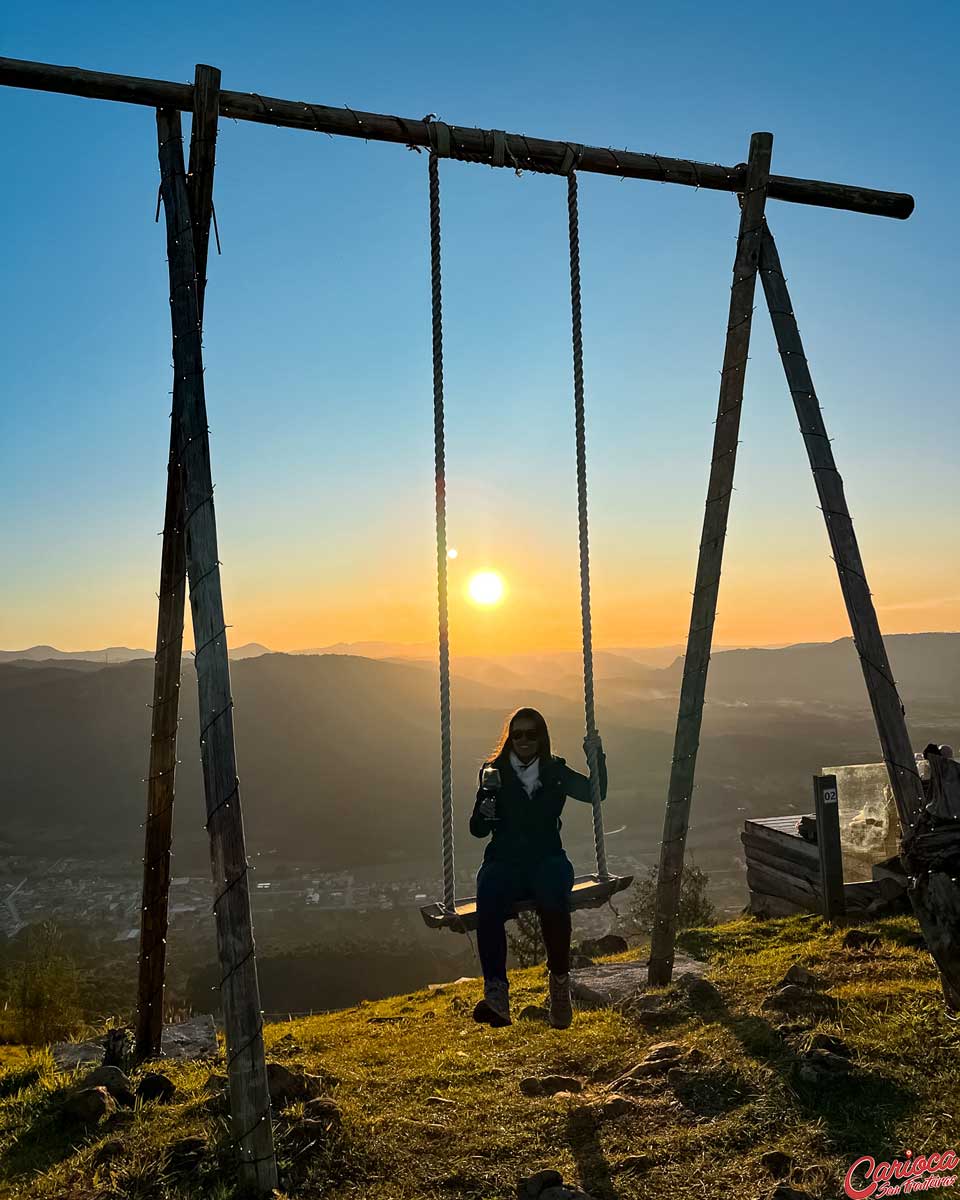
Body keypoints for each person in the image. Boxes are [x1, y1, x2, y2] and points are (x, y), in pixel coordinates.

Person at [468, 706, 607, 1030]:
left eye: (531, 733)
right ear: (510, 738)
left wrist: (596, 755)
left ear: (541, 737)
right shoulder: (494, 772)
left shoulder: (555, 771)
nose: (524, 740)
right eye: (518, 734)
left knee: (552, 896)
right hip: (505, 860)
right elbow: (476, 829)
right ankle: (497, 995)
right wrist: (484, 813)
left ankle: (559, 988)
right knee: (488, 892)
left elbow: (594, 793)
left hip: (548, 857)